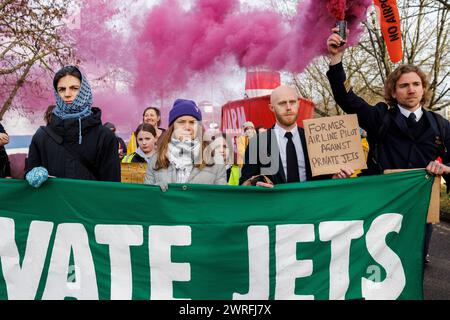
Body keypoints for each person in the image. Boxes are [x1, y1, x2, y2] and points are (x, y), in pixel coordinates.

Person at [326, 27, 450, 264]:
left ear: (423, 89)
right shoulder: (380, 117)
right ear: (393, 91)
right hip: (381, 212)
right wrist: (336, 59)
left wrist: (444, 168)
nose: (411, 89)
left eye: (416, 84)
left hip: (421, 215)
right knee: (376, 273)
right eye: (404, 85)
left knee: (413, 274)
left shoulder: (441, 125)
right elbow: (346, 99)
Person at [25, 65, 121, 187]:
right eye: (61, 89)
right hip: (53, 205)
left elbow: (112, 187)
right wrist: (32, 174)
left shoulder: (104, 136)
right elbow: (29, 172)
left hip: (90, 205)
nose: (67, 94)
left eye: (74, 88)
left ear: (84, 90)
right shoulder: (42, 136)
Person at [240, 85, 353, 187]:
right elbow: (244, 183)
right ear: (272, 107)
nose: (288, 107)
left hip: (311, 206)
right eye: (282, 103)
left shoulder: (314, 138)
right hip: (274, 206)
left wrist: (335, 178)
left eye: (292, 102)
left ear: (298, 104)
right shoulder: (257, 143)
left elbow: (323, 178)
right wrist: (254, 185)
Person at [144, 99, 226, 187]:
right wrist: (155, 191)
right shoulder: (156, 160)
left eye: (192, 122)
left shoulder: (216, 160)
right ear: (173, 127)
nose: (187, 127)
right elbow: (147, 197)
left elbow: (221, 197)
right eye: (181, 122)